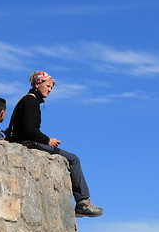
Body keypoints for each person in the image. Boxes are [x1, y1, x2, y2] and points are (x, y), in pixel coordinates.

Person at [7, 71, 103, 218]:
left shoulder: (27, 100)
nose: (50, 90)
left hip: (26, 142)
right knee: (73, 159)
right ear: (37, 84)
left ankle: (82, 202)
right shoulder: (31, 101)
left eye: (51, 87)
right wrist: (47, 140)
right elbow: (29, 129)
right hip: (29, 144)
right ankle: (83, 202)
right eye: (48, 86)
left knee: (72, 158)